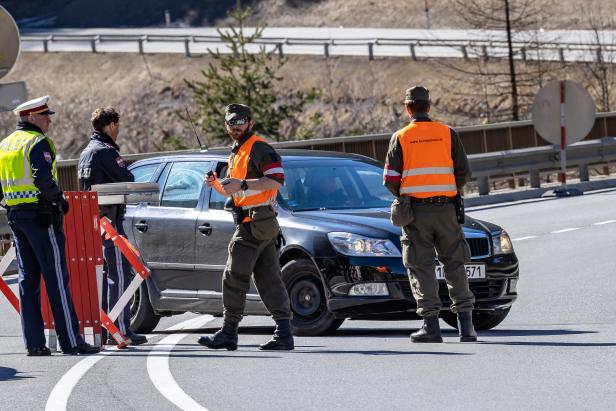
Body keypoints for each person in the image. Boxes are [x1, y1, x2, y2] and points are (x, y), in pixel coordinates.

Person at [0, 96, 99, 356]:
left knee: (27, 280)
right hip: (42, 216)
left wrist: (11, 203)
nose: (49, 121)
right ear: (32, 118)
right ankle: (71, 341)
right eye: (45, 116)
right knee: (56, 278)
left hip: (16, 216)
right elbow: (42, 178)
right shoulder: (38, 142)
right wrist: (60, 200)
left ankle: (34, 343)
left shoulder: (5, 144)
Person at [383, 86, 477, 343]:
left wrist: (407, 193)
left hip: (415, 213)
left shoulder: (400, 137)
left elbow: (390, 179)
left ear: (408, 108)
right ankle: (466, 328)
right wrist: (447, 189)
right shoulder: (447, 133)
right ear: (429, 105)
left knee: (421, 266)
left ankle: (431, 327)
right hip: (447, 209)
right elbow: (464, 173)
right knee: (455, 263)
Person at [198, 103, 294, 351]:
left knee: (233, 277)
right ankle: (284, 334)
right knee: (269, 279)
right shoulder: (237, 151)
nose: (236, 126)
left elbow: (276, 180)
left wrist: (240, 184)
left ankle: (229, 333)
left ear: (250, 123)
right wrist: (217, 184)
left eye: (240, 121)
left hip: (254, 224)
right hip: (260, 222)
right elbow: (237, 190)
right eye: (231, 122)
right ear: (226, 125)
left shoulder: (259, 147)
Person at [78, 107, 147, 346]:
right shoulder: (106, 152)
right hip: (110, 225)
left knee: (106, 276)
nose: (118, 130)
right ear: (110, 126)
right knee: (119, 275)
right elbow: (127, 180)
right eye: (117, 125)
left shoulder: (86, 153)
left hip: (93, 225)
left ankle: (107, 328)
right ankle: (121, 329)